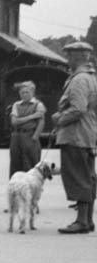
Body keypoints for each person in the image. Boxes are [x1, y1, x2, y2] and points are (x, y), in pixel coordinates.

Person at [53, 41, 97, 233]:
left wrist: (59, 119)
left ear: (78, 57)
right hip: (87, 134)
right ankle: (87, 220)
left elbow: (78, 108)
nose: (67, 59)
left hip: (75, 135)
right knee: (88, 176)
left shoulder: (79, 80)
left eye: (69, 56)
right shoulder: (91, 78)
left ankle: (81, 221)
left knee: (78, 176)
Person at [8, 81, 45, 177]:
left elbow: (41, 122)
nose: (24, 94)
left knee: (30, 163)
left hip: (30, 135)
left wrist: (35, 138)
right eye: (22, 92)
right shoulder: (16, 105)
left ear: (32, 92)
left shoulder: (38, 105)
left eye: (27, 92)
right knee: (16, 163)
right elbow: (14, 121)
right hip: (16, 136)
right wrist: (31, 117)